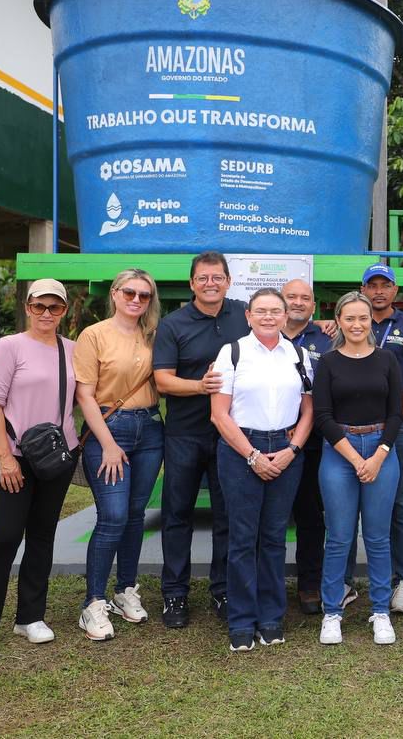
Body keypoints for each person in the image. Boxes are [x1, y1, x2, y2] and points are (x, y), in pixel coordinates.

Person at [0, 279, 79, 658]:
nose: (47, 314)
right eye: (39, 306)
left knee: (43, 535)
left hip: (57, 458)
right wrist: (4, 456)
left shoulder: (72, 351)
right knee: (6, 536)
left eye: (55, 308)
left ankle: (30, 616)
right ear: (28, 307)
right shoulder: (10, 346)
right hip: (12, 455)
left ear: (64, 311)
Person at [210, 287, 315, 651]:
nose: (269, 317)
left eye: (276, 311)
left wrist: (292, 450)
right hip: (241, 450)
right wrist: (252, 455)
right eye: (261, 311)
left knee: (273, 538)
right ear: (249, 316)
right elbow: (219, 414)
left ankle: (271, 617)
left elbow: (309, 411)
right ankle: (241, 621)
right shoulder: (232, 352)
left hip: (286, 451)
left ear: (286, 316)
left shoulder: (298, 354)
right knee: (241, 539)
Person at [152, 252, 248, 629]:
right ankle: (174, 595)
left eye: (217, 277)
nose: (211, 283)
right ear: (192, 283)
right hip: (185, 434)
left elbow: (282, 321)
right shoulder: (174, 324)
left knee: (227, 516)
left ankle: (222, 589)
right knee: (177, 515)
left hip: (230, 434)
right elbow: (162, 380)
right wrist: (199, 385)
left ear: (228, 281)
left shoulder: (244, 314)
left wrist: (323, 323)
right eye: (203, 278)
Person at [73, 269, 163, 642]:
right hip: (109, 429)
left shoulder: (155, 335)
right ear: (114, 294)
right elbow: (84, 395)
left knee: (135, 515)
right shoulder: (94, 335)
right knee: (112, 515)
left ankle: (125, 590)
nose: (136, 300)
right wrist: (108, 443)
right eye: (130, 292)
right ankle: (93, 602)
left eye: (144, 295)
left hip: (151, 428)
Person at [312, 292, 403, 646]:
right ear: (339, 321)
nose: (356, 325)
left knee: (379, 538)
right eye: (349, 318)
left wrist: (379, 455)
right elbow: (322, 415)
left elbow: (396, 412)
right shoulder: (329, 362)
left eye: (362, 318)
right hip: (340, 451)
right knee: (339, 537)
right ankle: (332, 612)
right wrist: (354, 458)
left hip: (381, 448)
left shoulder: (386, 360)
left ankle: (380, 611)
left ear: (371, 321)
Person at [359, 263, 403, 615]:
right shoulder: (353, 320)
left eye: (386, 285)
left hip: (397, 428)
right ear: (363, 289)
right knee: (355, 508)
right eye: (373, 285)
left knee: (398, 506)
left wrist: (392, 417)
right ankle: (346, 583)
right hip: (354, 430)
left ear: (395, 291)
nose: (379, 291)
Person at [282, 277, 352, 615]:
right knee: (270, 517)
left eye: (304, 298)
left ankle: (310, 584)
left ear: (314, 306)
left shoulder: (328, 340)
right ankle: (264, 583)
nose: (297, 302)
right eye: (290, 296)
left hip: (314, 442)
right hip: (269, 441)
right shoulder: (261, 335)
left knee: (310, 515)